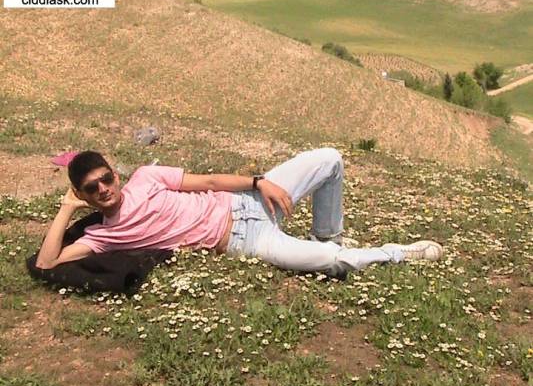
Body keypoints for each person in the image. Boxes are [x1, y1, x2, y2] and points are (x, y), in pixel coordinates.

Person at [36, 148, 443, 279]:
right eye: (92, 188)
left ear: (116, 174)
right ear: (82, 195)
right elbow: (47, 262)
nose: (104, 189)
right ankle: (398, 253)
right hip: (245, 240)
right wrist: (66, 210)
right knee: (329, 262)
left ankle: (326, 232)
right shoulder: (104, 236)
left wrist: (259, 182)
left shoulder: (147, 177)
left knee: (330, 159)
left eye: (106, 179)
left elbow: (209, 180)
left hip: (246, 201)